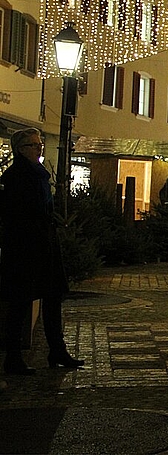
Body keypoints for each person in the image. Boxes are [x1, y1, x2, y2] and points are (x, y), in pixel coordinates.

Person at [0, 128, 84, 374]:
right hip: (25, 246)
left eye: (39, 144)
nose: (39, 148)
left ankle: (57, 349)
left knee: (52, 297)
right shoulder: (16, 176)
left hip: (43, 243)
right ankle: (13, 357)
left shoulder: (38, 174)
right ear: (21, 149)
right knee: (20, 301)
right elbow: (17, 213)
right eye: (34, 145)